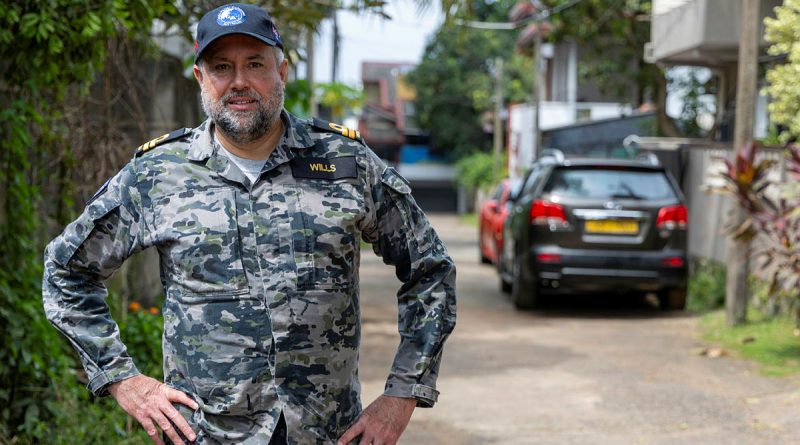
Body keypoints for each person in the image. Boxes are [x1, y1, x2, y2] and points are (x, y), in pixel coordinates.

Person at [41, 3, 456, 445]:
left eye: (255, 64)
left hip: (327, 434)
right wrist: (123, 379)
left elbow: (430, 270)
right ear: (201, 78)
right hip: (205, 434)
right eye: (222, 67)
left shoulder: (346, 163)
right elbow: (67, 271)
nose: (239, 81)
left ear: (282, 71)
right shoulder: (158, 174)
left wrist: (402, 395)